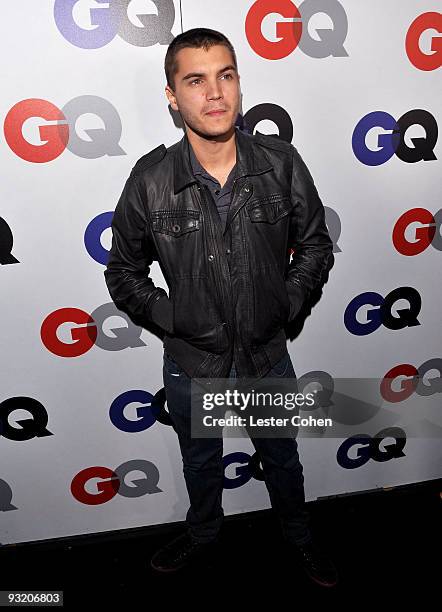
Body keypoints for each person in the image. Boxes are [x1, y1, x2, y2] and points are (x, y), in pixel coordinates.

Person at [104, 28, 337, 587]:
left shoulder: (280, 163)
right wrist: (175, 318)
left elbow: (315, 245)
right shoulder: (152, 179)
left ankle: (299, 538)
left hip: (265, 355)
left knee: (282, 459)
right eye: (196, 80)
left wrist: (287, 301)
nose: (215, 94)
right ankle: (204, 534)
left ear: (238, 83)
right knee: (201, 461)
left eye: (226, 75)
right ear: (171, 95)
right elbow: (123, 272)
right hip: (192, 362)